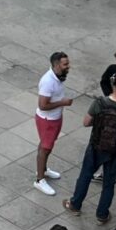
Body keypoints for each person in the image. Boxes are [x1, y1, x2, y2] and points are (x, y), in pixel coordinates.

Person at [67, 71, 116, 220]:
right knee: (108, 183)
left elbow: (86, 122)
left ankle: (75, 204)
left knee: (85, 175)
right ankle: (102, 214)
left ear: (113, 84)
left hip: (96, 146)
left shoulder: (99, 103)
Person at [33, 51, 71, 196]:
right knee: (45, 148)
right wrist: (63, 102)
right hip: (48, 120)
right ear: (56, 65)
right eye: (65, 64)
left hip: (55, 118)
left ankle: (43, 169)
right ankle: (39, 179)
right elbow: (43, 105)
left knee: (46, 145)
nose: (68, 66)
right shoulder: (48, 82)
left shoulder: (58, 77)